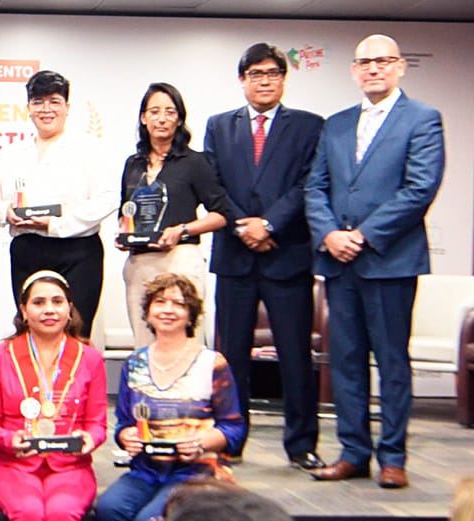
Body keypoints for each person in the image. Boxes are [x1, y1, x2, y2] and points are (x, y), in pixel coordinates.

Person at [304, 34, 445, 489]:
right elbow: (315, 187)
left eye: (383, 61)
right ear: (353, 70)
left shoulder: (422, 119)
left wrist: (362, 236)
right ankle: (353, 452)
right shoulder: (337, 124)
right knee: (344, 362)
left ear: (401, 66)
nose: (374, 69)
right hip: (339, 264)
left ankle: (393, 456)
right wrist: (329, 234)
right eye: (365, 62)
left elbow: (419, 189)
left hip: (390, 262)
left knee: (391, 362)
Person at [204, 43, 325, 469]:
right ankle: (231, 441)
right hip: (236, 259)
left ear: (283, 78)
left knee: (294, 356)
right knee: (232, 357)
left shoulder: (310, 126)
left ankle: (301, 445)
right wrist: (244, 226)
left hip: (286, 255)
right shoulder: (219, 126)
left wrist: (268, 225)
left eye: (272, 73)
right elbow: (214, 186)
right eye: (255, 74)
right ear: (242, 80)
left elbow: (309, 185)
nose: (264, 80)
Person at [94, 273, 245, 521]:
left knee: (151, 518)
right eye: (160, 302)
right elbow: (123, 423)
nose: (168, 310)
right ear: (149, 311)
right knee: (109, 509)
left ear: (190, 314)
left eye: (178, 304)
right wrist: (126, 436)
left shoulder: (212, 363)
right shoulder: (134, 363)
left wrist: (201, 443)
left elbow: (234, 428)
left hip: (196, 471)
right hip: (146, 470)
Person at [0, 70, 117, 339]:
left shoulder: (88, 149)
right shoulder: (13, 154)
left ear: (67, 107)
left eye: (54, 102)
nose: (46, 110)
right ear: (28, 108)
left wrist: (58, 224)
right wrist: (5, 214)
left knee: (76, 334)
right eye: (38, 102)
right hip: (26, 249)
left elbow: (108, 199)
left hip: (78, 251)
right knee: (29, 333)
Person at [0, 270, 107, 521]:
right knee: (28, 512)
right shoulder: (0, 356)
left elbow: (97, 424)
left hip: (70, 466)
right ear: (24, 311)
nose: (49, 309)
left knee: (62, 512)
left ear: (69, 309)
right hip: (13, 465)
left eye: (57, 302)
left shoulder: (90, 358)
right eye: (38, 302)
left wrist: (90, 438)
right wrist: (8, 439)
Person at [118, 83, 230, 348]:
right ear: (143, 118)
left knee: (185, 347)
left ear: (179, 119)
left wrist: (183, 230)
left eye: (170, 112)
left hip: (179, 260)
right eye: (154, 111)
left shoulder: (194, 162)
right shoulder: (133, 164)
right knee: (144, 349)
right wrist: (123, 236)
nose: (162, 118)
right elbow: (126, 211)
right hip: (140, 264)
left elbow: (222, 213)